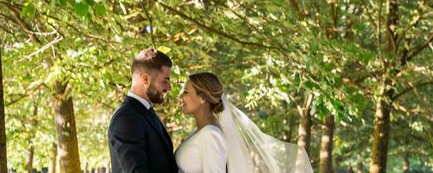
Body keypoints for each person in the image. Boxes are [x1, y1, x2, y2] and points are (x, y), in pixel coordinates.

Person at [175, 72, 314, 173]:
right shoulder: (199, 132)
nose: (180, 96)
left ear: (202, 97)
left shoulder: (211, 135)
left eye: (185, 92)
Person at [108, 48, 177, 173]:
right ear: (146, 79)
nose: (169, 87)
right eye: (165, 81)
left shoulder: (144, 112)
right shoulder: (126, 118)